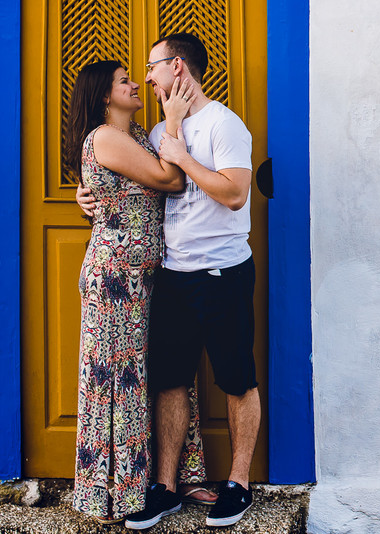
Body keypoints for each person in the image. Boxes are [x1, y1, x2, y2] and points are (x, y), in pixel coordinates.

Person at [79, 34, 261, 530]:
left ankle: (238, 483)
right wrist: (85, 194)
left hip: (221, 271)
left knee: (236, 378)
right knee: (170, 380)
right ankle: (163, 486)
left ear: (176, 67)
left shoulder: (224, 124)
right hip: (173, 275)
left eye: (151, 66)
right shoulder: (158, 130)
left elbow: (235, 194)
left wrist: (183, 157)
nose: (146, 76)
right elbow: (122, 179)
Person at [64, 60, 211, 524]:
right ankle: (112, 495)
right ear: (105, 96)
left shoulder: (139, 136)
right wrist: (174, 121)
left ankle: (177, 477)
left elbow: (123, 189)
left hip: (149, 275)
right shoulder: (106, 137)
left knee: (162, 372)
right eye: (124, 80)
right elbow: (171, 179)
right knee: (119, 379)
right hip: (115, 279)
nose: (135, 84)